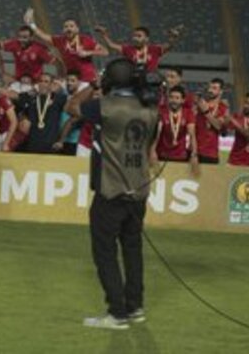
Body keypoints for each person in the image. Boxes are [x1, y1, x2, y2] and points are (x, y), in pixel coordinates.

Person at [68, 58, 160, 330]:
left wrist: (93, 84)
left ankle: (117, 313)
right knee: (133, 250)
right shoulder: (151, 108)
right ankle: (135, 307)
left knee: (105, 252)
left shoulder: (104, 107)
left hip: (111, 191)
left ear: (110, 79)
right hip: (139, 189)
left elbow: (71, 106)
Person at [24, 8, 108, 83]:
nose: (68, 29)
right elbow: (42, 35)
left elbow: (105, 52)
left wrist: (88, 52)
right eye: (66, 27)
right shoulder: (60, 40)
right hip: (71, 79)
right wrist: (31, 24)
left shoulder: (85, 40)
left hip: (87, 78)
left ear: (77, 29)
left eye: (71, 26)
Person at [95, 25, 183, 72]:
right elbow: (111, 45)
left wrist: (173, 37)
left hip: (150, 81)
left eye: (139, 36)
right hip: (132, 79)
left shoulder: (154, 49)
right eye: (134, 36)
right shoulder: (128, 49)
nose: (135, 38)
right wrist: (104, 34)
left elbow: (169, 45)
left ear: (147, 38)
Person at [153, 86, 200, 173]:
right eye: (171, 97)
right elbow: (156, 134)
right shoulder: (162, 112)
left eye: (177, 98)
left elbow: (192, 135)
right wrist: (152, 151)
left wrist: (194, 155)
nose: (173, 100)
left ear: (183, 100)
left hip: (181, 157)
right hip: (162, 155)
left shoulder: (188, 113)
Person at [19, 73, 67, 154]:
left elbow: (73, 99)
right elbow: (18, 106)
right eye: (40, 81)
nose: (43, 84)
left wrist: (61, 88)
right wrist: (23, 118)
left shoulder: (58, 98)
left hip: (51, 144)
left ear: (51, 84)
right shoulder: (31, 98)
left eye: (46, 82)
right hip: (33, 143)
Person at [53, 71, 91, 155]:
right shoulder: (62, 98)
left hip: (74, 142)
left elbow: (74, 120)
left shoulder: (82, 100)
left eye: (73, 80)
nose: (69, 83)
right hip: (59, 142)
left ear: (79, 82)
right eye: (68, 80)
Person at [193, 78, 229, 164]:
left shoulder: (224, 108)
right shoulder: (199, 104)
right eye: (209, 87)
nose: (210, 90)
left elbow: (218, 126)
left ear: (221, 91)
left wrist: (206, 112)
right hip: (195, 150)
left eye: (214, 88)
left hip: (211, 154)